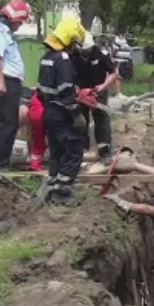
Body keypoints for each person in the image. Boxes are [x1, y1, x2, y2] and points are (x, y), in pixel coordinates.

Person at [38, 17, 88, 204]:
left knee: (57, 151)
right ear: (70, 39)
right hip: (62, 113)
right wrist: (76, 113)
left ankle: (52, 185)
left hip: (49, 111)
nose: (75, 48)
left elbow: (42, 90)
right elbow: (66, 90)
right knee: (74, 150)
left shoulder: (46, 58)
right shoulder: (64, 60)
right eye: (75, 43)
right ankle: (62, 191)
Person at [0, 0, 32, 172]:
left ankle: (3, 161)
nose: (20, 25)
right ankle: (1, 163)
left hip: (10, 82)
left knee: (11, 122)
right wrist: (1, 83)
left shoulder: (6, 33)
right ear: (12, 18)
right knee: (6, 123)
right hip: (4, 81)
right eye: (19, 22)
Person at [74, 32, 120, 165]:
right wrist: (76, 89)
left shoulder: (102, 54)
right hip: (80, 92)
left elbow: (114, 73)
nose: (85, 52)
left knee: (102, 120)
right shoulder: (73, 55)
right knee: (80, 121)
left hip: (98, 91)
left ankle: (105, 152)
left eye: (87, 50)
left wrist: (103, 86)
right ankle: (81, 151)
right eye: (83, 50)